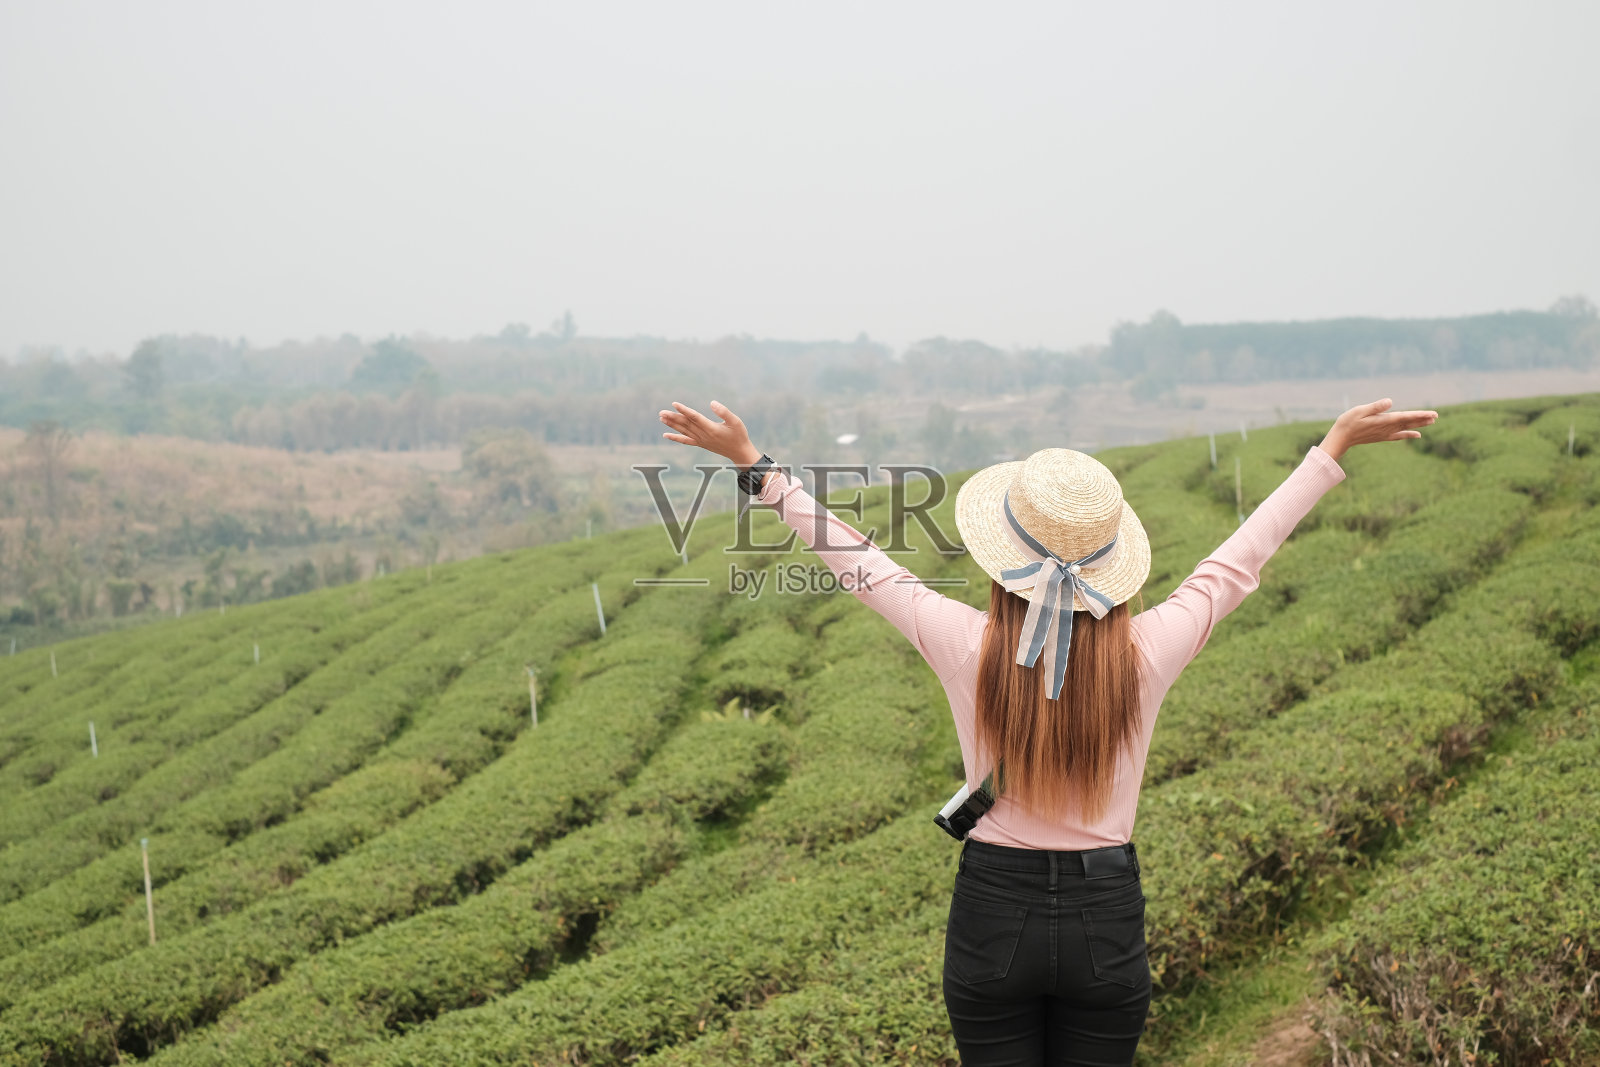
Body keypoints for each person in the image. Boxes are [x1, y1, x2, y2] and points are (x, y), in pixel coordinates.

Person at [658, 397, 1438, 1066]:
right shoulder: (1147, 653)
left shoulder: (966, 643)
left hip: (994, 912)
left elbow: (860, 563)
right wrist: (1327, 452)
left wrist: (758, 468)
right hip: (1107, 917)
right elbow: (1234, 565)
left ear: (1005, 566)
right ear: (1112, 567)